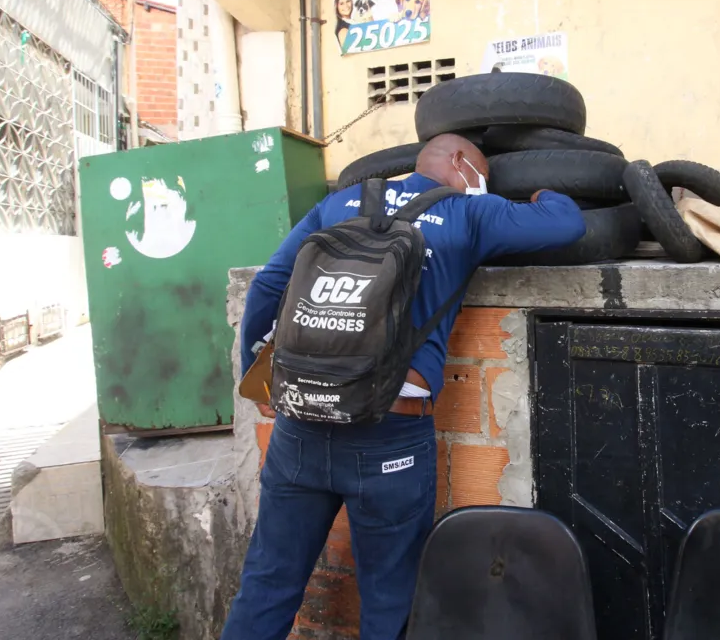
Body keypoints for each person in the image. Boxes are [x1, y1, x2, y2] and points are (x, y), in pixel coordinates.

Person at [221, 134, 586, 640]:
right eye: (482, 176)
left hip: (300, 422)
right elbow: (567, 223)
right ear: (460, 164)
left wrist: (257, 383)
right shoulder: (467, 213)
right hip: (391, 434)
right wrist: (545, 194)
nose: (483, 187)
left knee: (269, 581)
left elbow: (267, 286)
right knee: (390, 597)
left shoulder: (339, 203)